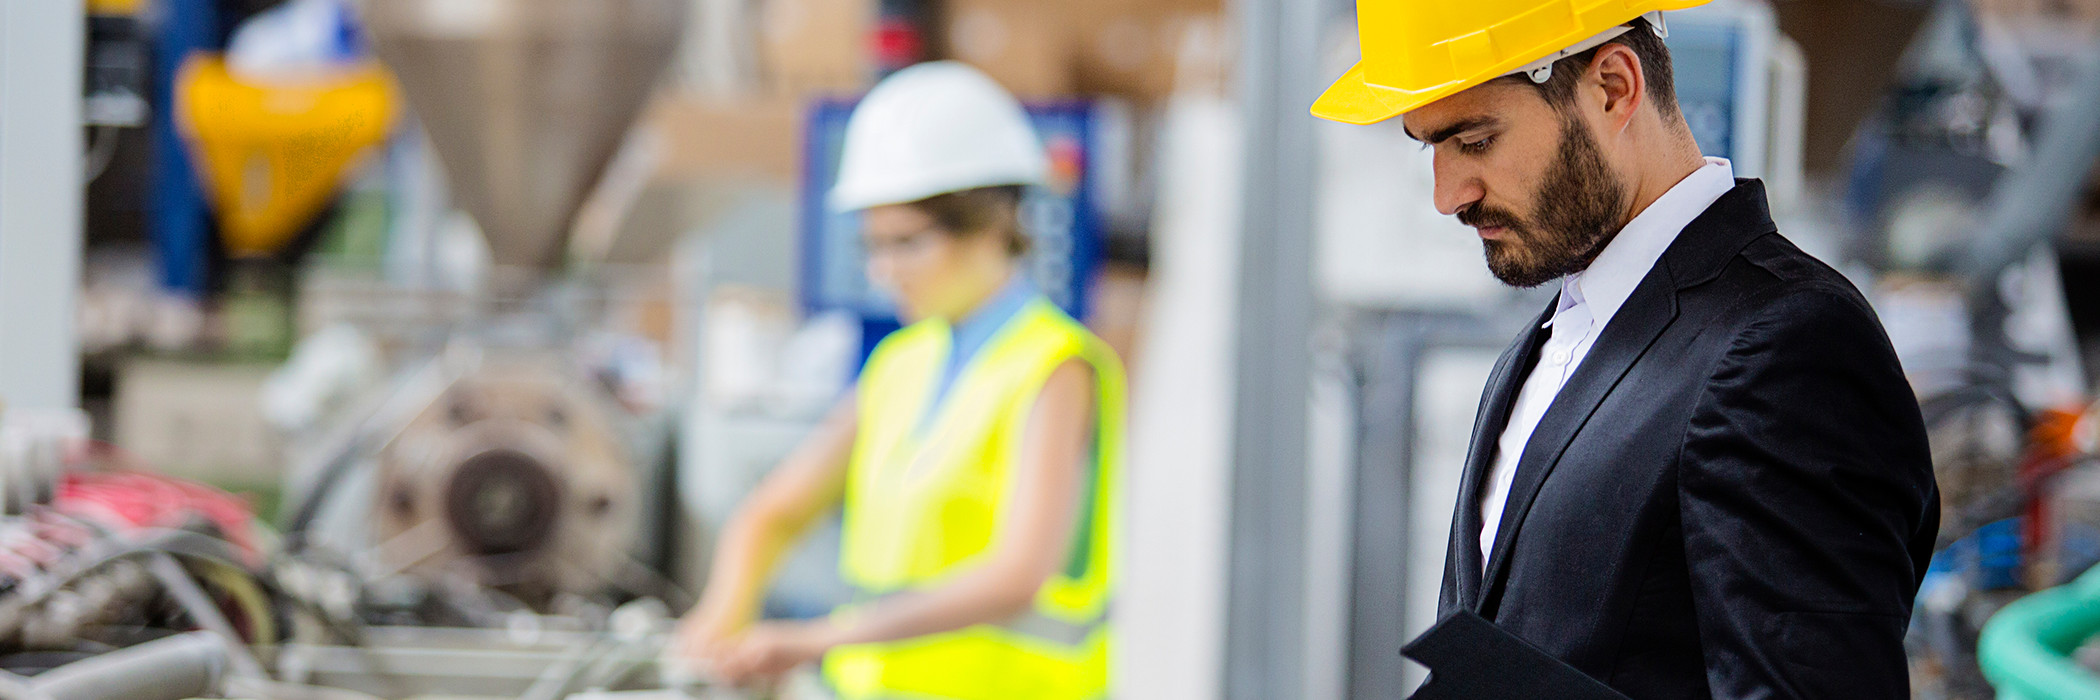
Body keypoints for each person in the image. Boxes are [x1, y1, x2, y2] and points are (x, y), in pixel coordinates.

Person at [1314, 3, 1939, 698]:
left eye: (1476, 141)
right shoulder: (1545, 349)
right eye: (1429, 147)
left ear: (1613, 86)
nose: (1446, 195)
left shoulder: (1786, 347)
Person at [669, 61, 1124, 700]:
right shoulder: (901, 365)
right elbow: (773, 511)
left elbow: (1019, 575)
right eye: (872, 246)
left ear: (992, 224)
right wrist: (718, 622)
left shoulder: (1055, 367)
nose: (885, 272)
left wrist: (813, 640)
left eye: (907, 243)